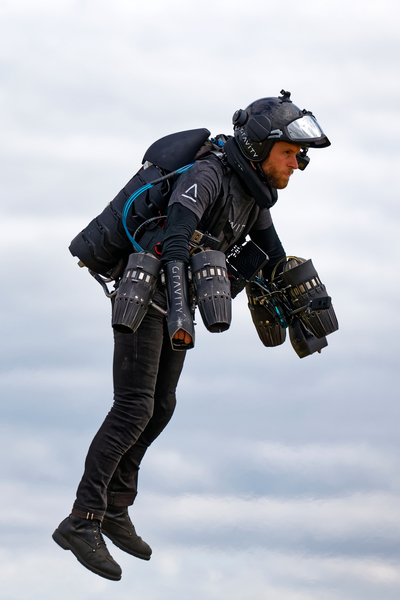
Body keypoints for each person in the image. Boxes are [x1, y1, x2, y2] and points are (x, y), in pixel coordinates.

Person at [52, 90, 331, 581]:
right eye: (289, 152)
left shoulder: (253, 194)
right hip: (145, 297)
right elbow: (177, 238)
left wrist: (299, 307)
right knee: (134, 407)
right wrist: (183, 310)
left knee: (161, 406)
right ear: (261, 147)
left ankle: (115, 507)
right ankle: (82, 520)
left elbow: (272, 252)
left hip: (172, 307)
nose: (297, 163)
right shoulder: (209, 175)